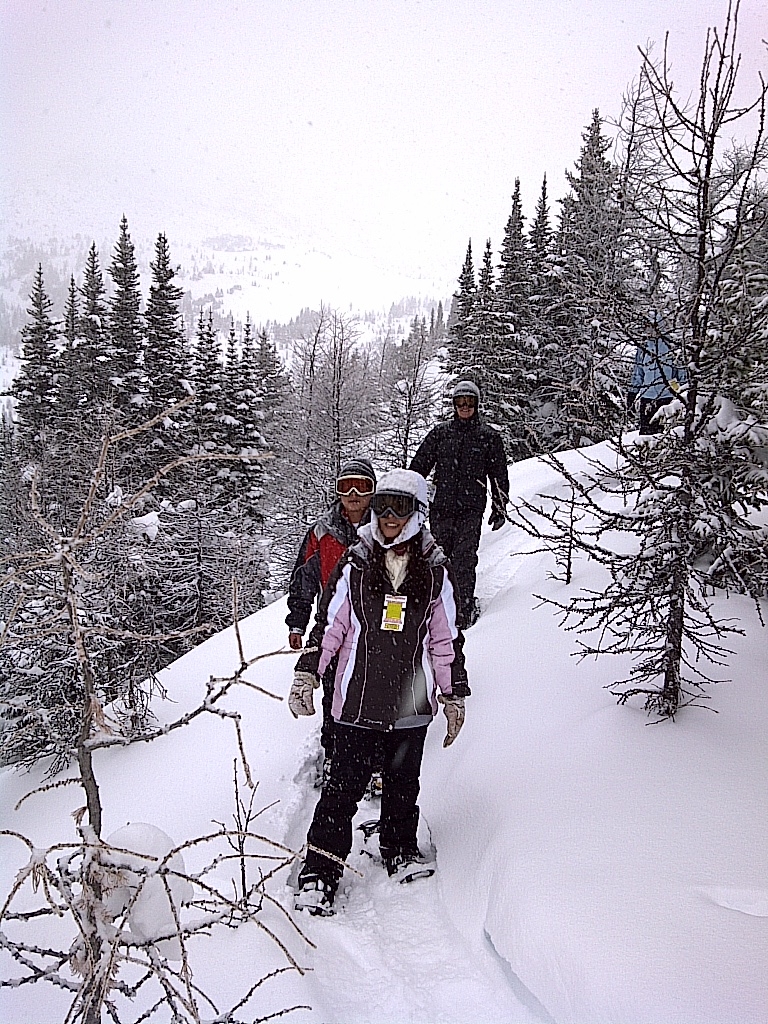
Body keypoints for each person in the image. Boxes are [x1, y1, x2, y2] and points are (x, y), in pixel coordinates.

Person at [288, 469, 469, 916]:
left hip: (409, 702)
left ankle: (399, 848)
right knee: (342, 789)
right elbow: (330, 626)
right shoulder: (355, 564)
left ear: (416, 512)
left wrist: (453, 695)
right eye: (382, 506)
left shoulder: (433, 570)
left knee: (403, 785)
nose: (389, 517)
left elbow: (445, 639)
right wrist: (309, 673)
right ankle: (321, 869)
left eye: (400, 507)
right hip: (356, 699)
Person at [285, 457, 376, 771]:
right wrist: (297, 621)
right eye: (345, 486)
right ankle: (335, 754)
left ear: (373, 491)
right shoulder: (323, 531)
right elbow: (304, 578)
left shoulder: (387, 524)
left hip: (375, 623)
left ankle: (374, 760)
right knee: (335, 689)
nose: (353, 494)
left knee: (373, 688)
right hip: (334, 621)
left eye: (362, 486)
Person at [409, 380, 509, 627]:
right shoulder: (441, 434)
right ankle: (437, 606)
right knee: (438, 558)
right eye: (460, 402)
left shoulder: (488, 437)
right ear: (454, 405)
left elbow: (499, 476)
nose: (465, 407)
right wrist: (407, 497)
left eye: (470, 402)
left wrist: (499, 507)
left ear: (477, 404)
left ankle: (462, 610)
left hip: (471, 509)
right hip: (441, 508)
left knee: (464, 560)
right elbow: (418, 468)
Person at [627, 323, 685, 435]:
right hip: (647, 398)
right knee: (646, 436)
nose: (648, 331)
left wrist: (682, 396)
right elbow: (638, 374)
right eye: (645, 327)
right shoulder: (643, 348)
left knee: (665, 437)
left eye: (650, 327)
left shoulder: (671, 346)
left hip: (668, 399)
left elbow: (681, 374)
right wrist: (632, 395)